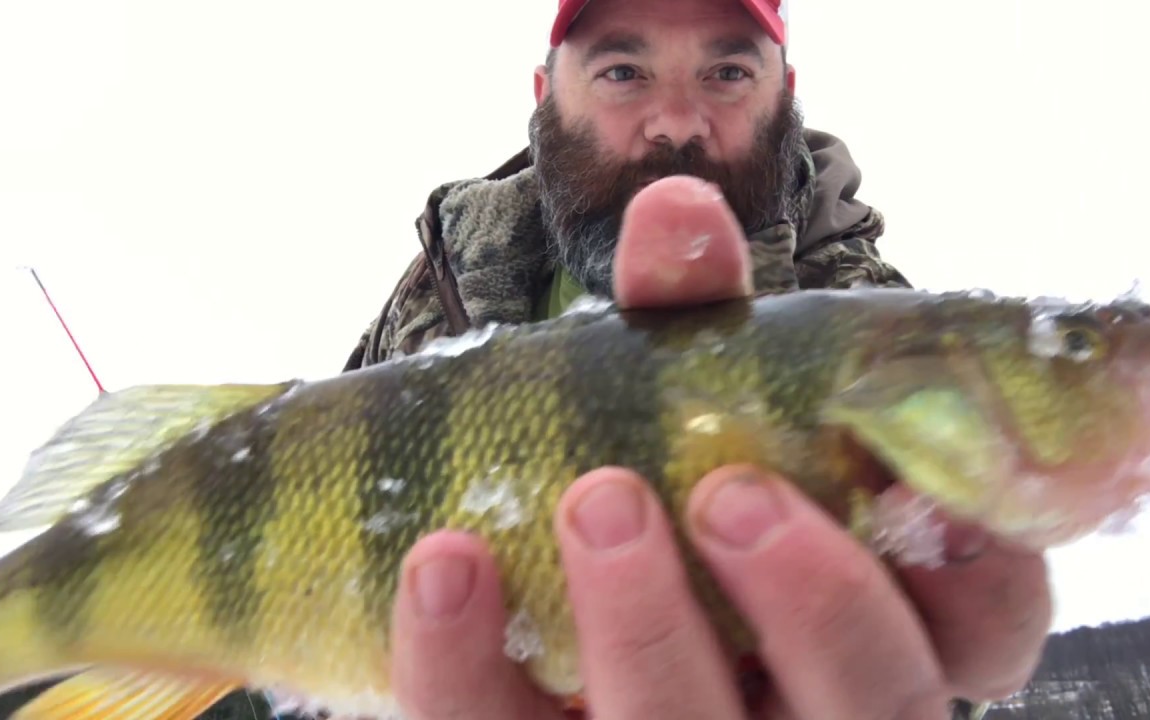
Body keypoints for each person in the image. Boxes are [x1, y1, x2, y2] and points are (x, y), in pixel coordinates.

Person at [350, 1, 1054, 719]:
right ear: (545, 99)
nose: (678, 122)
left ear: (783, 93)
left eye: (727, 72)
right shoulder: (438, 286)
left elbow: (933, 635)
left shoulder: (888, 350)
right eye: (624, 72)